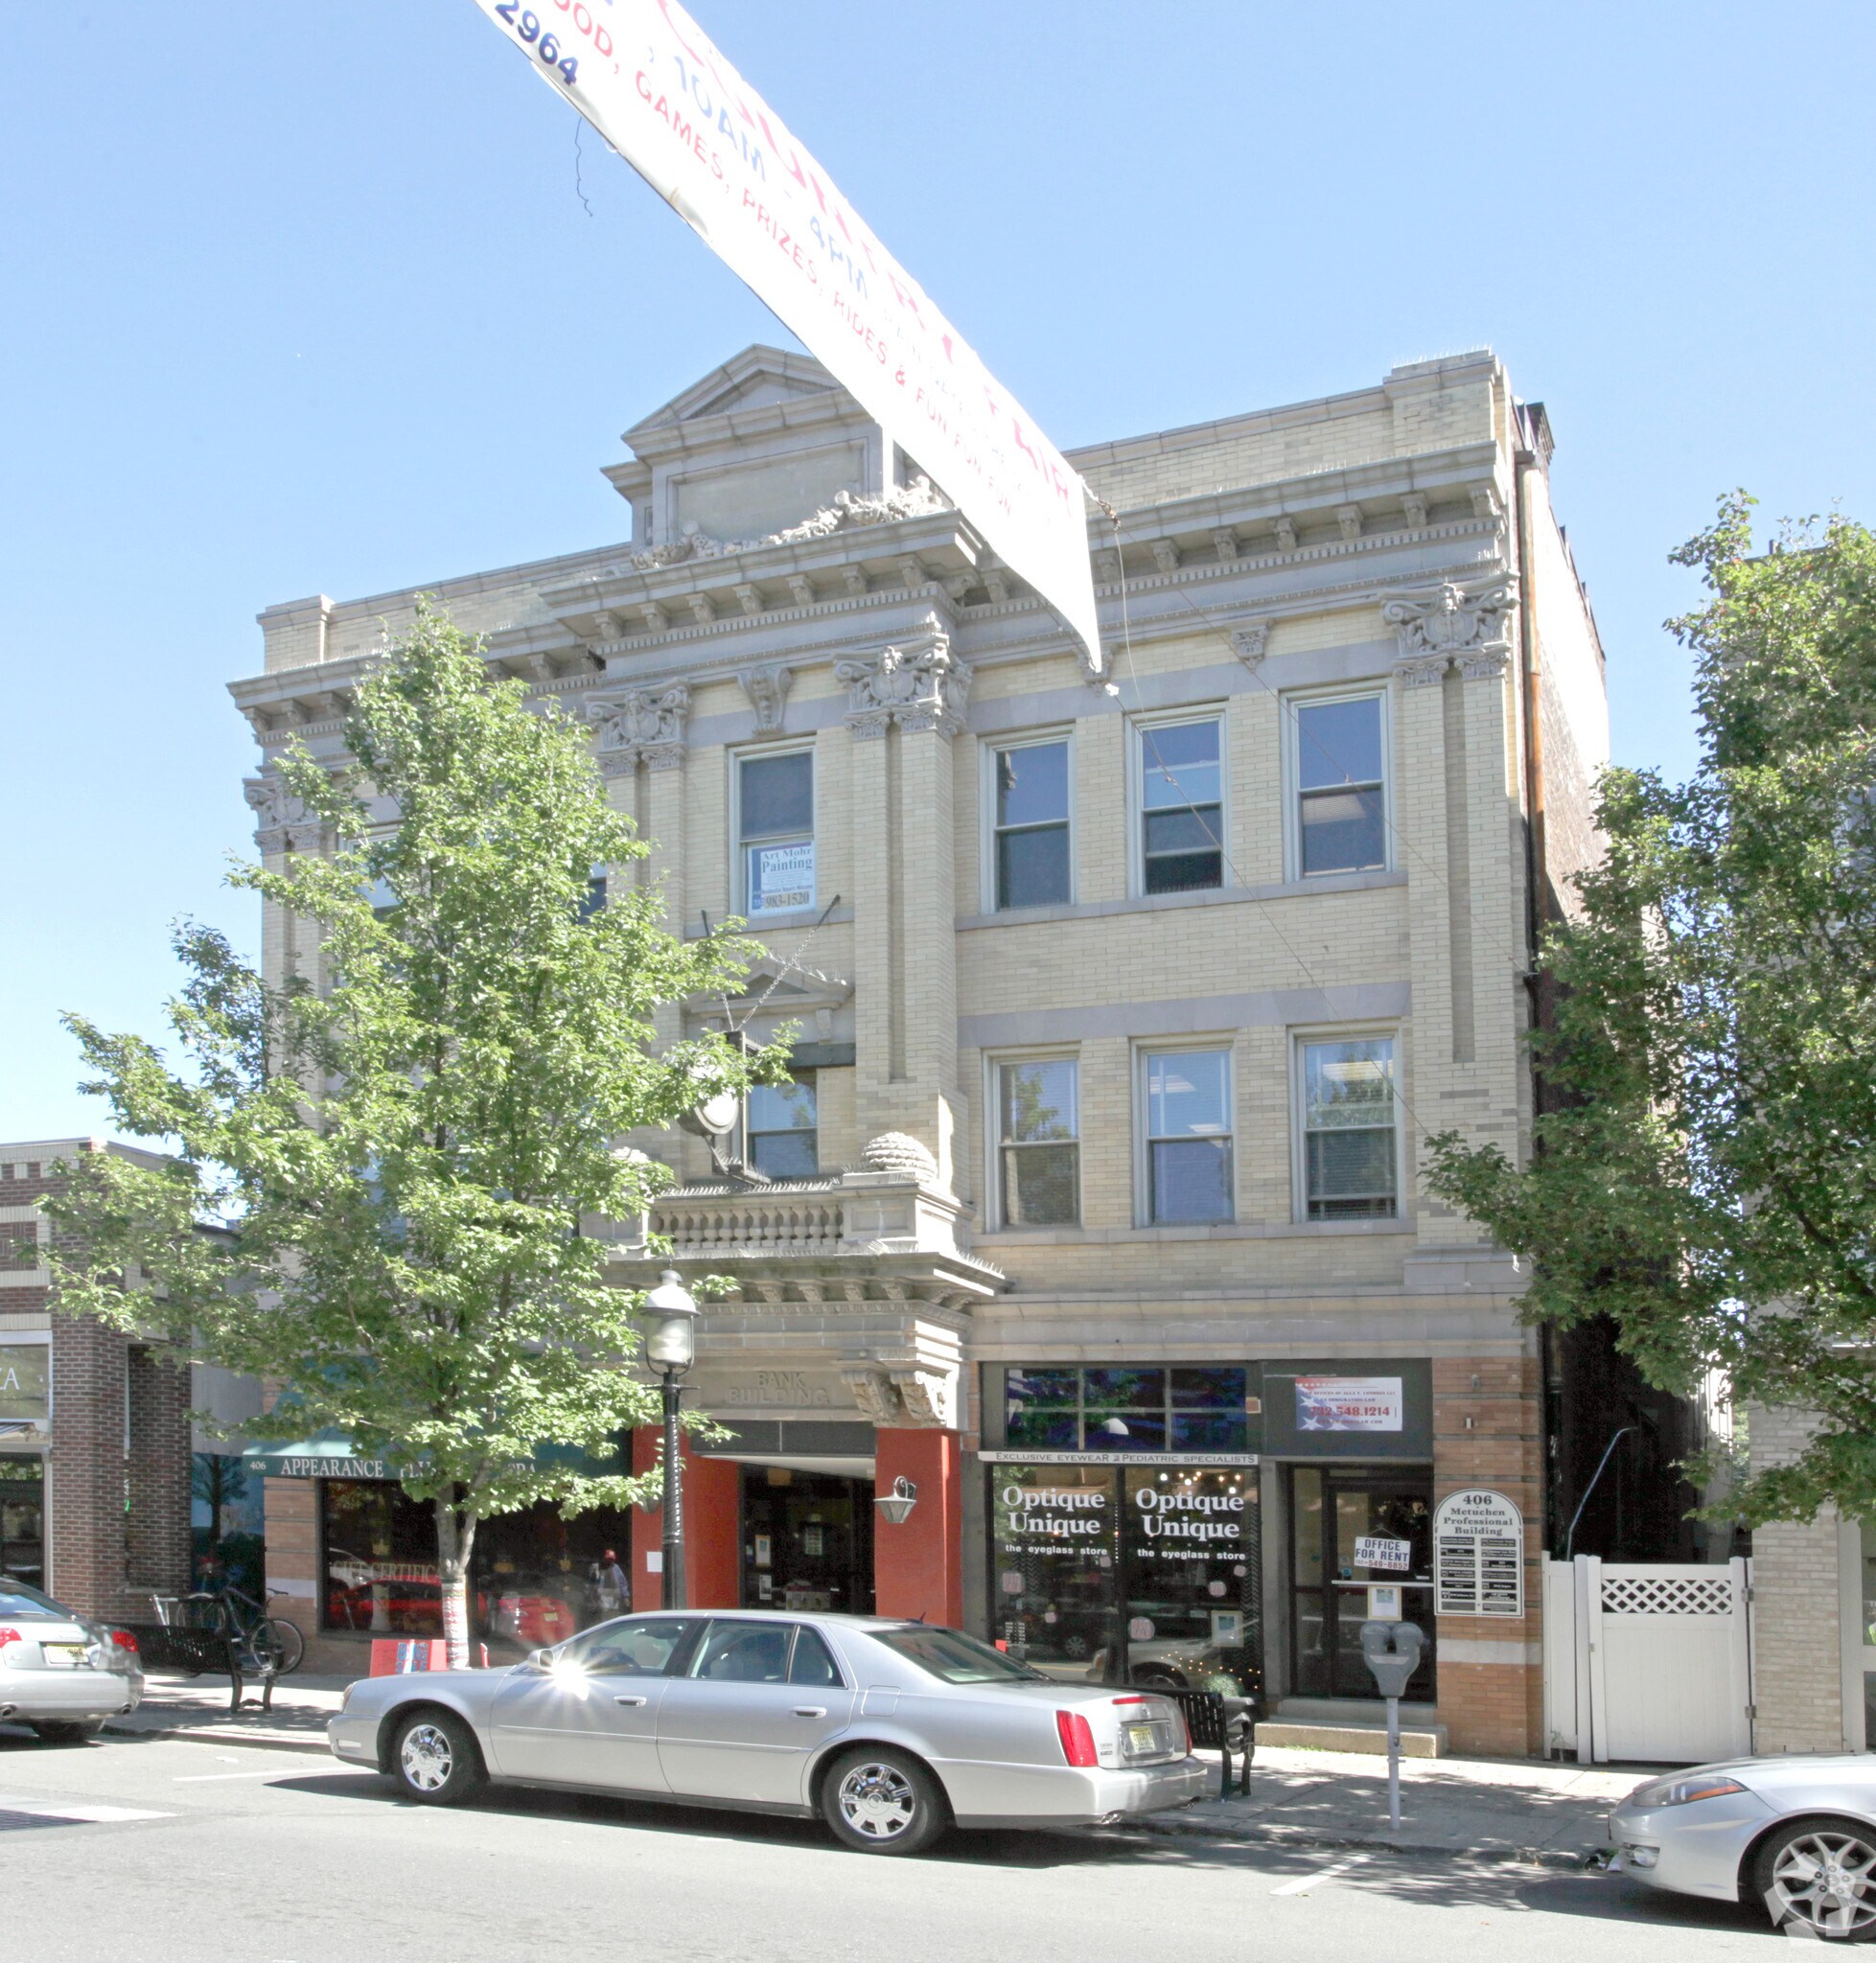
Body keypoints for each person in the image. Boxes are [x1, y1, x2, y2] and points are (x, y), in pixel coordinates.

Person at [589, 1549, 630, 1618]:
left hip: (615, 1595)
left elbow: (622, 1582)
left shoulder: (616, 1568)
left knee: (614, 1615)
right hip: (603, 1595)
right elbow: (591, 1581)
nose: (610, 1561)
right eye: (608, 1559)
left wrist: (625, 1596)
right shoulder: (597, 1567)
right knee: (605, 1614)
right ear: (604, 1557)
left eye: (611, 1559)